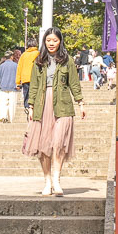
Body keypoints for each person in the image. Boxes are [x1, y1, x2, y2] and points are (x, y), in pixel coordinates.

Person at [22, 26, 85, 196]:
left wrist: (80, 103)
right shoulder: (39, 61)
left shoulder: (67, 60)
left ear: (60, 41)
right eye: (48, 40)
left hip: (63, 104)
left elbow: (74, 82)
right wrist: (31, 106)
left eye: (55, 40)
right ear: (44, 42)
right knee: (44, 146)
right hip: (42, 105)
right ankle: (47, 180)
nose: (51, 43)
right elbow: (33, 85)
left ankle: (57, 180)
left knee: (58, 143)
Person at [0, 48, 19, 123]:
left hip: (3, 87)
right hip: (13, 87)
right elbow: (19, 76)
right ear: (12, 56)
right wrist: (19, 85)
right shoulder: (16, 65)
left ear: (5, 57)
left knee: (3, 103)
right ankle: (11, 119)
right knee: (12, 104)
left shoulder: (1, 66)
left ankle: (3, 116)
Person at [17, 41, 38, 112]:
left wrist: (17, 81)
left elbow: (19, 68)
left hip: (25, 78)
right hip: (35, 78)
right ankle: (33, 107)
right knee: (35, 93)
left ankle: (27, 107)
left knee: (26, 94)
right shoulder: (38, 53)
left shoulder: (23, 55)